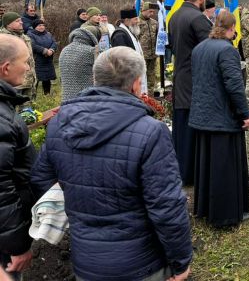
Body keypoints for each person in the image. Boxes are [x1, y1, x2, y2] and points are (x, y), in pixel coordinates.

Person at [31, 47, 193, 281]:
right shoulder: (151, 131)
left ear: (96, 79)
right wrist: (181, 261)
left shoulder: (58, 125)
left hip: (86, 260)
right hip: (142, 263)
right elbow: (166, 206)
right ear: (137, 85)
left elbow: (42, 181)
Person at [189, 10, 249, 227]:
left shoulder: (199, 48)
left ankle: (205, 209)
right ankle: (224, 215)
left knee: (207, 166)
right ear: (232, 28)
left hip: (202, 116)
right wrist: (245, 114)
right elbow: (234, 86)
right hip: (222, 118)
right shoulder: (227, 50)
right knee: (223, 168)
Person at [168, 0, 212, 186]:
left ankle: (181, 172)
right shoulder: (198, 18)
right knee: (192, 129)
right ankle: (191, 174)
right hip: (194, 81)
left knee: (181, 128)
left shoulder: (174, 17)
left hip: (180, 78)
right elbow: (209, 52)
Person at [0, 34, 36, 281]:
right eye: (25, 62)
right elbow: (1, 190)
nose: (27, 67)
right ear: (5, 68)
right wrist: (17, 245)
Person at [111, 5, 148, 94]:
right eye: (135, 19)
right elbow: (122, 60)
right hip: (128, 78)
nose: (138, 21)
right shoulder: (119, 35)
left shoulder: (131, 31)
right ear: (127, 20)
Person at [0, 13, 35, 100]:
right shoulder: (4, 40)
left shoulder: (25, 37)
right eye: (17, 21)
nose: (21, 23)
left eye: (21, 20)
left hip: (28, 78)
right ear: (8, 24)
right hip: (12, 82)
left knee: (27, 109)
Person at [59, 28, 99, 103]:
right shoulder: (91, 51)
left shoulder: (64, 50)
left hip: (67, 100)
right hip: (86, 101)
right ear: (94, 37)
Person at [27, 20, 57, 96]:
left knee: (47, 78)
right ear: (35, 27)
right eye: (39, 25)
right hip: (37, 60)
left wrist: (51, 50)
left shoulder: (48, 34)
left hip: (48, 60)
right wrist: (45, 51)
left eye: (43, 25)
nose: (42, 27)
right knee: (36, 79)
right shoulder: (30, 35)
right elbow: (33, 45)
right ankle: (33, 96)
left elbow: (54, 42)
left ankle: (46, 95)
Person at [138, 3, 159, 94]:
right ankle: (141, 95)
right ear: (143, 11)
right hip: (142, 55)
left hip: (153, 54)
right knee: (141, 77)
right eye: (150, 11)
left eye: (153, 12)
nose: (152, 13)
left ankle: (150, 96)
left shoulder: (154, 22)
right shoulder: (137, 22)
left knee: (151, 77)